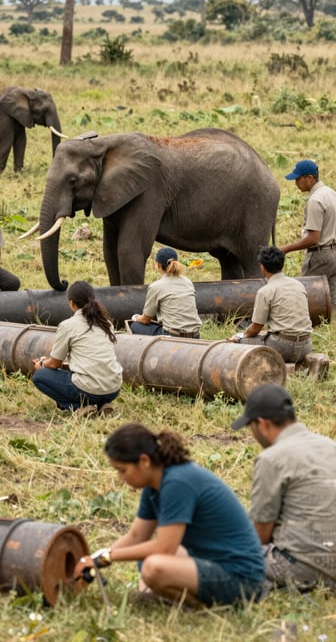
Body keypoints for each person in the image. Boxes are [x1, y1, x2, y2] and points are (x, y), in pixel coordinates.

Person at [74, 423, 266, 607]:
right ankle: (158, 596)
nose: (121, 478)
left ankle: (199, 609)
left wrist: (107, 557)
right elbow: (136, 536)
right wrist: (94, 560)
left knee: (153, 567)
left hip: (242, 578)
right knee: (146, 556)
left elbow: (165, 548)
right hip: (213, 563)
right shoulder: (154, 485)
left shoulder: (177, 483)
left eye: (123, 471)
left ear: (144, 461)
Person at [231, 383, 336, 592]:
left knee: (227, 553)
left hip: (301, 568)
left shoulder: (271, 458)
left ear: (262, 424)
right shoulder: (330, 446)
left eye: (250, 427)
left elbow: (260, 534)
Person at [31, 281, 122, 415]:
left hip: (87, 389)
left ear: (71, 303)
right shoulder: (106, 323)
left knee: (40, 376)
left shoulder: (67, 325)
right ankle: (104, 404)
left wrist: (43, 364)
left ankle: (78, 407)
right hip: (114, 388)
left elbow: (55, 363)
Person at [227, 246, 312, 363]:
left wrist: (239, 337)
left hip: (283, 348)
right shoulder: (298, 284)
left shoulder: (265, 291)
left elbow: (255, 329)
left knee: (237, 343)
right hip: (306, 346)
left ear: (262, 267)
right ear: (282, 264)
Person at [280, 159, 336, 315]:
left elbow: (313, 238)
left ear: (310, 178)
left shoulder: (315, 200)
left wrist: (286, 248)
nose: (296, 183)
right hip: (333, 252)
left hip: (320, 255)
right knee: (330, 299)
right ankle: (328, 331)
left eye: (298, 179)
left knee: (306, 295)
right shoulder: (331, 193)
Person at [129, 247, 201, 338]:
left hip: (173, 336)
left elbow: (145, 320)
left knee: (135, 325)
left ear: (158, 265)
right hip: (195, 335)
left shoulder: (156, 286)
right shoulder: (188, 281)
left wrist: (135, 317)